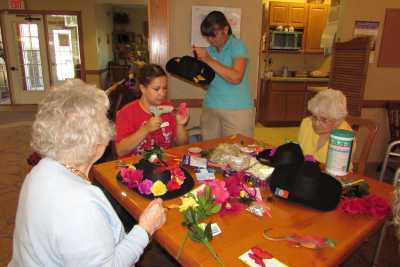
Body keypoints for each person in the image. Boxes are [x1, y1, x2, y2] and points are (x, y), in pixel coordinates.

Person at [9, 80, 166, 267]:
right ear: (95, 140)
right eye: (104, 122)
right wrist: (145, 229)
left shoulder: (41, 170)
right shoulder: (80, 204)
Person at [193, 10, 254, 140]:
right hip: (211, 107)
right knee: (211, 152)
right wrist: (194, 74)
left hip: (236, 109)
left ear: (225, 29)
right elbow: (207, 85)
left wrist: (208, 59)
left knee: (237, 154)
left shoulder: (237, 46)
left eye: (213, 35)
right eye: (207, 36)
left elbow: (236, 77)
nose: (209, 40)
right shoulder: (209, 51)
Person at [115, 64, 189, 157]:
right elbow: (119, 151)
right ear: (143, 88)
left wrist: (180, 125)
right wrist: (145, 129)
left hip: (165, 164)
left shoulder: (167, 107)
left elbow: (182, 145)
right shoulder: (126, 113)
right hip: (136, 167)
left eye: (165, 88)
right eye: (156, 89)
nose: (162, 93)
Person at [298, 88, 353, 164]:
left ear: (337, 120)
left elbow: (338, 168)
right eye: (314, 117)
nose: (317, 123)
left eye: (324, 119)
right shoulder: (306, 123)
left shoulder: (345, 137)